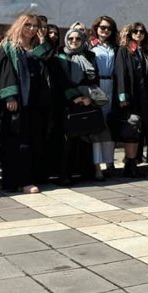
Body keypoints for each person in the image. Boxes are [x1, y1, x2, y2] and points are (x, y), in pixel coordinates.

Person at [0, 14, 53, 193]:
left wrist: (43, 41)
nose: (32, 29)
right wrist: (10, 96)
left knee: (33, 140)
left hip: (36, 102)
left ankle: (30, 177)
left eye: (35, 26)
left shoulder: (36, 48)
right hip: (19, 102)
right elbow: (5, 73)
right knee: (18, 142)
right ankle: (21, 181)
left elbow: (47, 61)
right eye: (27, 25)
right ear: (19, 25)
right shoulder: (10, 47)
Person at [56, 26, 103, 182]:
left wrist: (89, 97)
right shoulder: (60, 55)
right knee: (68, 140)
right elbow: (60, 80)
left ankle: (86, 172)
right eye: (71, 38)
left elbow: (95, 79)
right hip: (67, 101)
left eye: (77, 38)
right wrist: (73, 97)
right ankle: (65, 174)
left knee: (86, 137)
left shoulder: (90, 56)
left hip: (87, 99)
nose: (74, 41)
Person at [114, 23, 148, 178]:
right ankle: (129, 164)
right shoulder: (124, 50)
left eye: (141, 31)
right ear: (130, 34)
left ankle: (134, 161)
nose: (139, 34)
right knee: (131, 130)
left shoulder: (143, 52)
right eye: (135, 31)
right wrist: (122, 96)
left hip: (143, 98)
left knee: (138, 131)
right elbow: (121, 72)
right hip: (130, 97)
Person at [89, 16, 118, 179]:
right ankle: (97, 165)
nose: (105, 31)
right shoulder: (91, 47)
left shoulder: (115, 47)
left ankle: (109, 162)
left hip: (112, 86)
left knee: (109, 126)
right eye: (102, 28)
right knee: (97, 127)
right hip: (97, 86)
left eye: (108, 28)